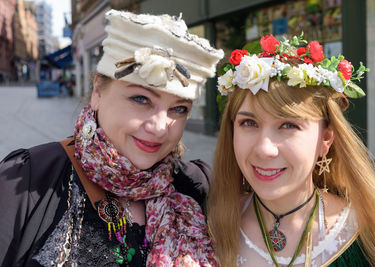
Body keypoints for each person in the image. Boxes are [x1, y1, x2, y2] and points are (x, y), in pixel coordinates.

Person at [0, 10, 223, 266]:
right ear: (97, 91)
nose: (160, 128)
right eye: (141, 99)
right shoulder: (28, 181)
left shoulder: (196, 188)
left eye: (179, 109)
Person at [208, 33, 375, 266]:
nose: (264, 149)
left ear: (326, 139)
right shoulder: (202, 227)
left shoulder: (369, 232)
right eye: (249, 123)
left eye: (288, 125)